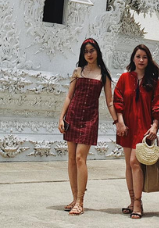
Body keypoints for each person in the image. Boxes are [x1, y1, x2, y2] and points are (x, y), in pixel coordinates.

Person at [58, 38, 117, 216]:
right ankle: (74, 198)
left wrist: (117, 120)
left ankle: (81, 201)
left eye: (92, 50)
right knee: (71, 158)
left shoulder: (104, 75)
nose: (89, 54)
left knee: (80, 158)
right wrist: (61, 118)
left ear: (97, 51)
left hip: (90, 119)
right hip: (73, 116)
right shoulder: (78, 71)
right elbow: (69, 96)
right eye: (86, 51)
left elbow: (109, 101)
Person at [114, 44, 159, 220]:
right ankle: (131, 200)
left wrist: (155, 126)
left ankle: (137, 202)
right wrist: (119, 123)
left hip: (143, 128)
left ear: (148, 60)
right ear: (133, 59)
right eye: (138, 56)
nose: (141, 60)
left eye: (144, 57)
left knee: (135, 162)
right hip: (126, 127)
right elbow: (117, 101)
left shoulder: (154, 82)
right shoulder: (124, 78)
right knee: (128, 164)